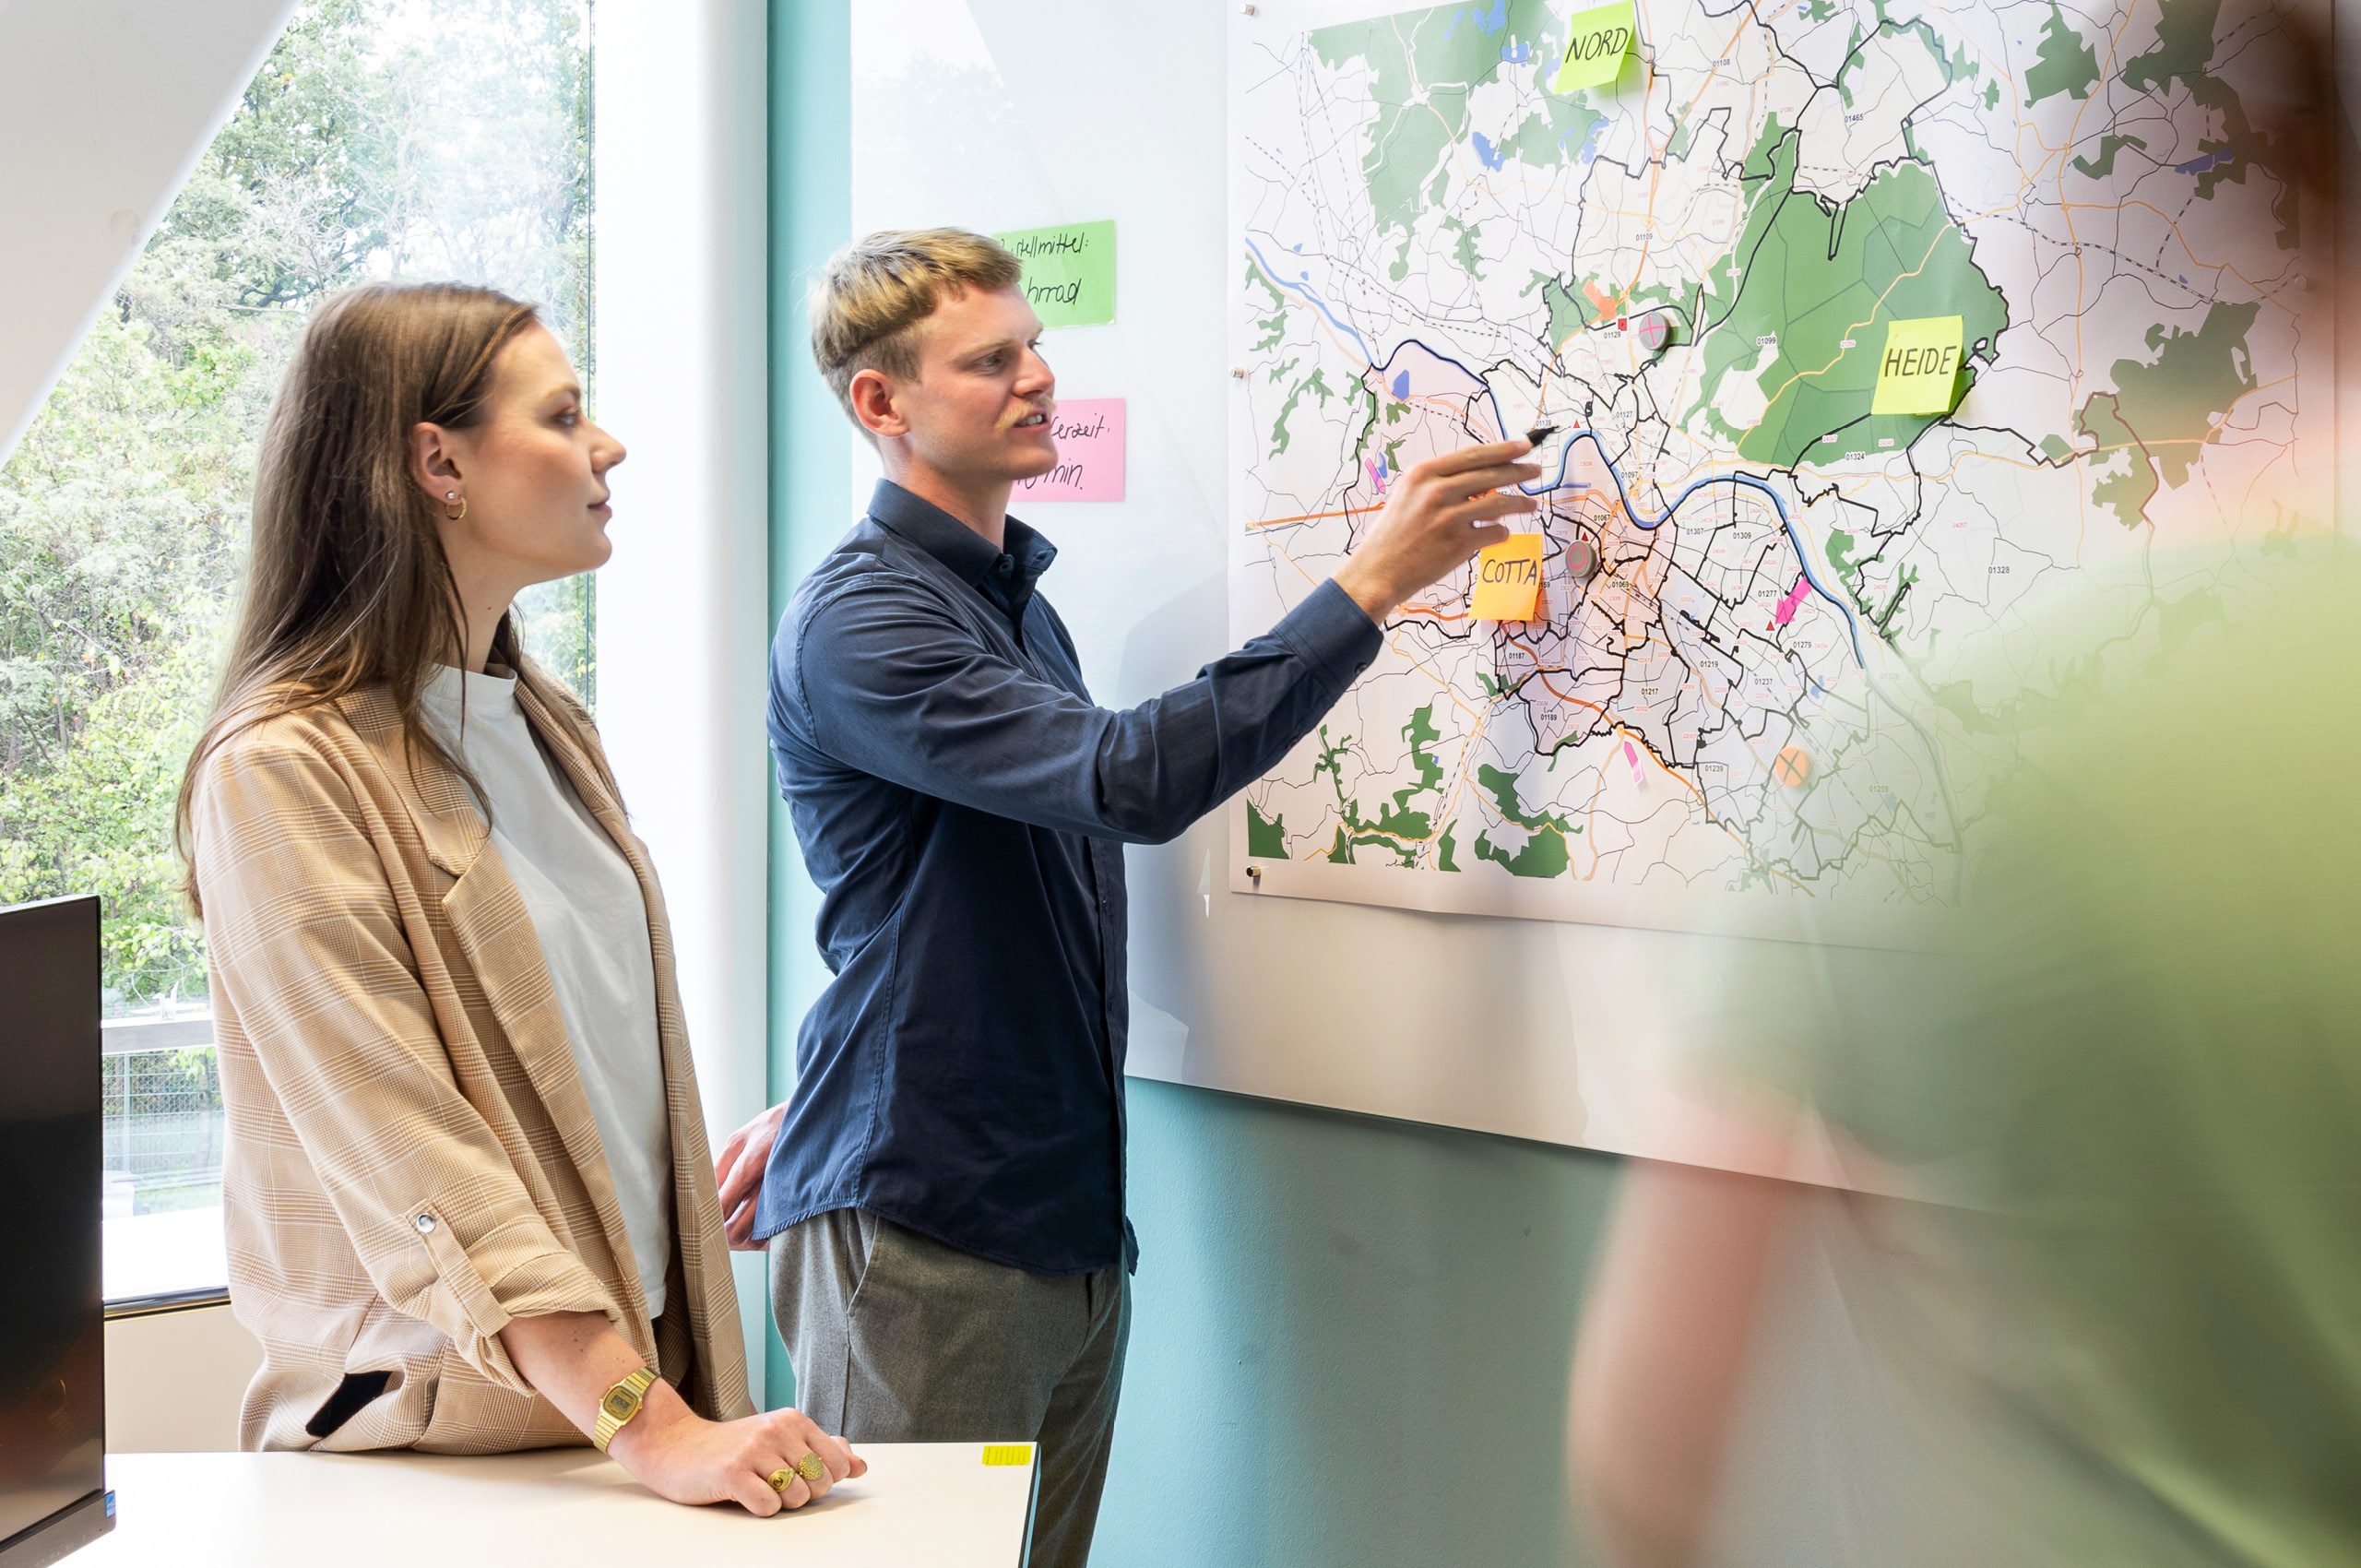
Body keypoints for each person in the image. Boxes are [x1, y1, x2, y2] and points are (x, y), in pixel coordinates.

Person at [710, 227, 1540, 1564]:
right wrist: (1372, 583)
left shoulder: (1014, 606)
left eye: (1035, 345)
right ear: (881, 402)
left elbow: (984, 902)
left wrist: (835, 1086)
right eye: (991, 360)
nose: (1038, 377)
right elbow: (1129, 779)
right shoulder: (864, 621)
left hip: (1059, 1222)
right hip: (934, 1231)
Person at [177, 280, 861, 1515]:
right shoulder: (279, 770)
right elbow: (412, 1154)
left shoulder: (547, 726)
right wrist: (646, 1425)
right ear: (436, 461)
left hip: (626, 1414)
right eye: (562, 415)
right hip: (445, 1450)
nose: (608, 446)